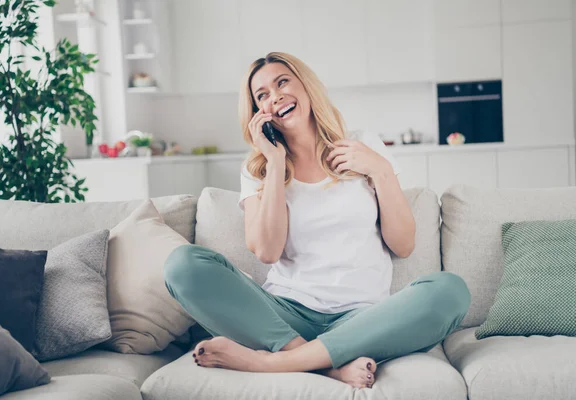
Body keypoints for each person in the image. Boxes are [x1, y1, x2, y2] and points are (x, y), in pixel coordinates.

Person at [164, 52, 471, 389]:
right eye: (262, 95)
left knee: (449, 291)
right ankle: (321, 365)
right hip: (284, 317)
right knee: (183, 264)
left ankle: (272, 363)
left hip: (362, 319)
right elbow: (267, 252)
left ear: (306, 87)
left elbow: (404, 244)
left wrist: (380, 169)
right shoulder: (259, 171)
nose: (275, 96)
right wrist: (276, 163)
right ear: (257, 113)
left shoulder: (362, 145)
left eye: (282, 82)